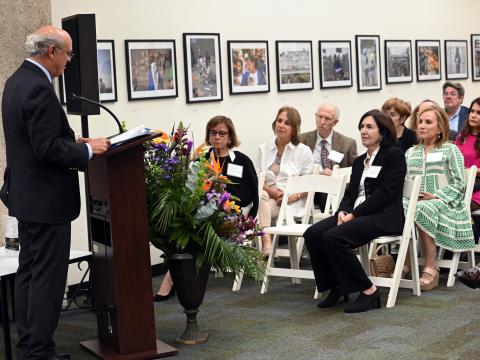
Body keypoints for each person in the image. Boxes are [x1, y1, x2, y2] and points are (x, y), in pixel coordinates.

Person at [1, 26, 110, 360]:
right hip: (47, 203)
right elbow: (47, 150)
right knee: (46, 280)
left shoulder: (15, 81)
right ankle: (40, 353)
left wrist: (71, 143)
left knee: (29, 274)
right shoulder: (38, 88)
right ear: (51, 52)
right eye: (68, 54)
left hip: (27, 198)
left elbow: (35, 142)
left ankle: (30, 348)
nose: (68, 61)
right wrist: (90, 152)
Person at [303, 110, 406, 313]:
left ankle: (369, 290)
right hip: (356, 214)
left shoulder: (394, 156)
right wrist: (343, 211)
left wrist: (354, 214)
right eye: (361, 127)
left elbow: (385, 194)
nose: (363, 131)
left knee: (333, 237)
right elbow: (350, 194)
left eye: (369, 127)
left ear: (383, 132)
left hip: (383, 216)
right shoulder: (359, 161)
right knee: (313, 234)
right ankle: (337, 287)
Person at [154, 115, 259, 301]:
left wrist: (221, 194)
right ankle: (185, 280)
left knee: (197, 230)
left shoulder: (241, 161)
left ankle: (173, 281)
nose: (217, 137)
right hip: (201, 210)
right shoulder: (201, 158)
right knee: (184, 226)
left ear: (230, 136)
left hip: (230, 213)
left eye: (221, 133)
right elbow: (188, 185)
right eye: (213, 133)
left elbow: (250, 193)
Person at [403, 103, 475, 291]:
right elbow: (404, 181)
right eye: (420, 122)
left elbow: (459, 183)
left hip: (447, 202)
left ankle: (430, 265)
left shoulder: (450, 150)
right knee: (400, 207)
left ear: (440, 128)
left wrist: (436, 195)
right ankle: (406, 261)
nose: (422, 126)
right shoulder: (411, 152)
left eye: (428, 122)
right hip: (414, 200)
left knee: (423, 208)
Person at [257, 106, 314, 256]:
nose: (281, 125)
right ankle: (267, 241)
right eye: (279, 120)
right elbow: (258, 177)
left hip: (290, 202)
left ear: (294, 129)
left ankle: (266, 243)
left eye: (287, 123)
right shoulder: (263, 148)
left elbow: (309, 185)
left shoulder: (303, 151)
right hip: (268, 197)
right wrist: (272, 192)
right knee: (262, 196)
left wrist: (291, 197)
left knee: (261, 204)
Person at [299, 103, 357, 209]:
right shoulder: (301, 140)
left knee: (326, 192)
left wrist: (336, 174)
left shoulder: (348, 144)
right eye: (320, 117)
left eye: (327, 119)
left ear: (335, 122)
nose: (322, 122)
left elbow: (355, 173)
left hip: (335, 187)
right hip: (309, 187)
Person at [454, 97, 480, 240]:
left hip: (477, 189)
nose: (473, 115)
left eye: (478, 113)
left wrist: (470, 171)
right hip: (460, 185)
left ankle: (463, 243)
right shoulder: (461, 137)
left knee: (457, 206)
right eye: (472, 111)